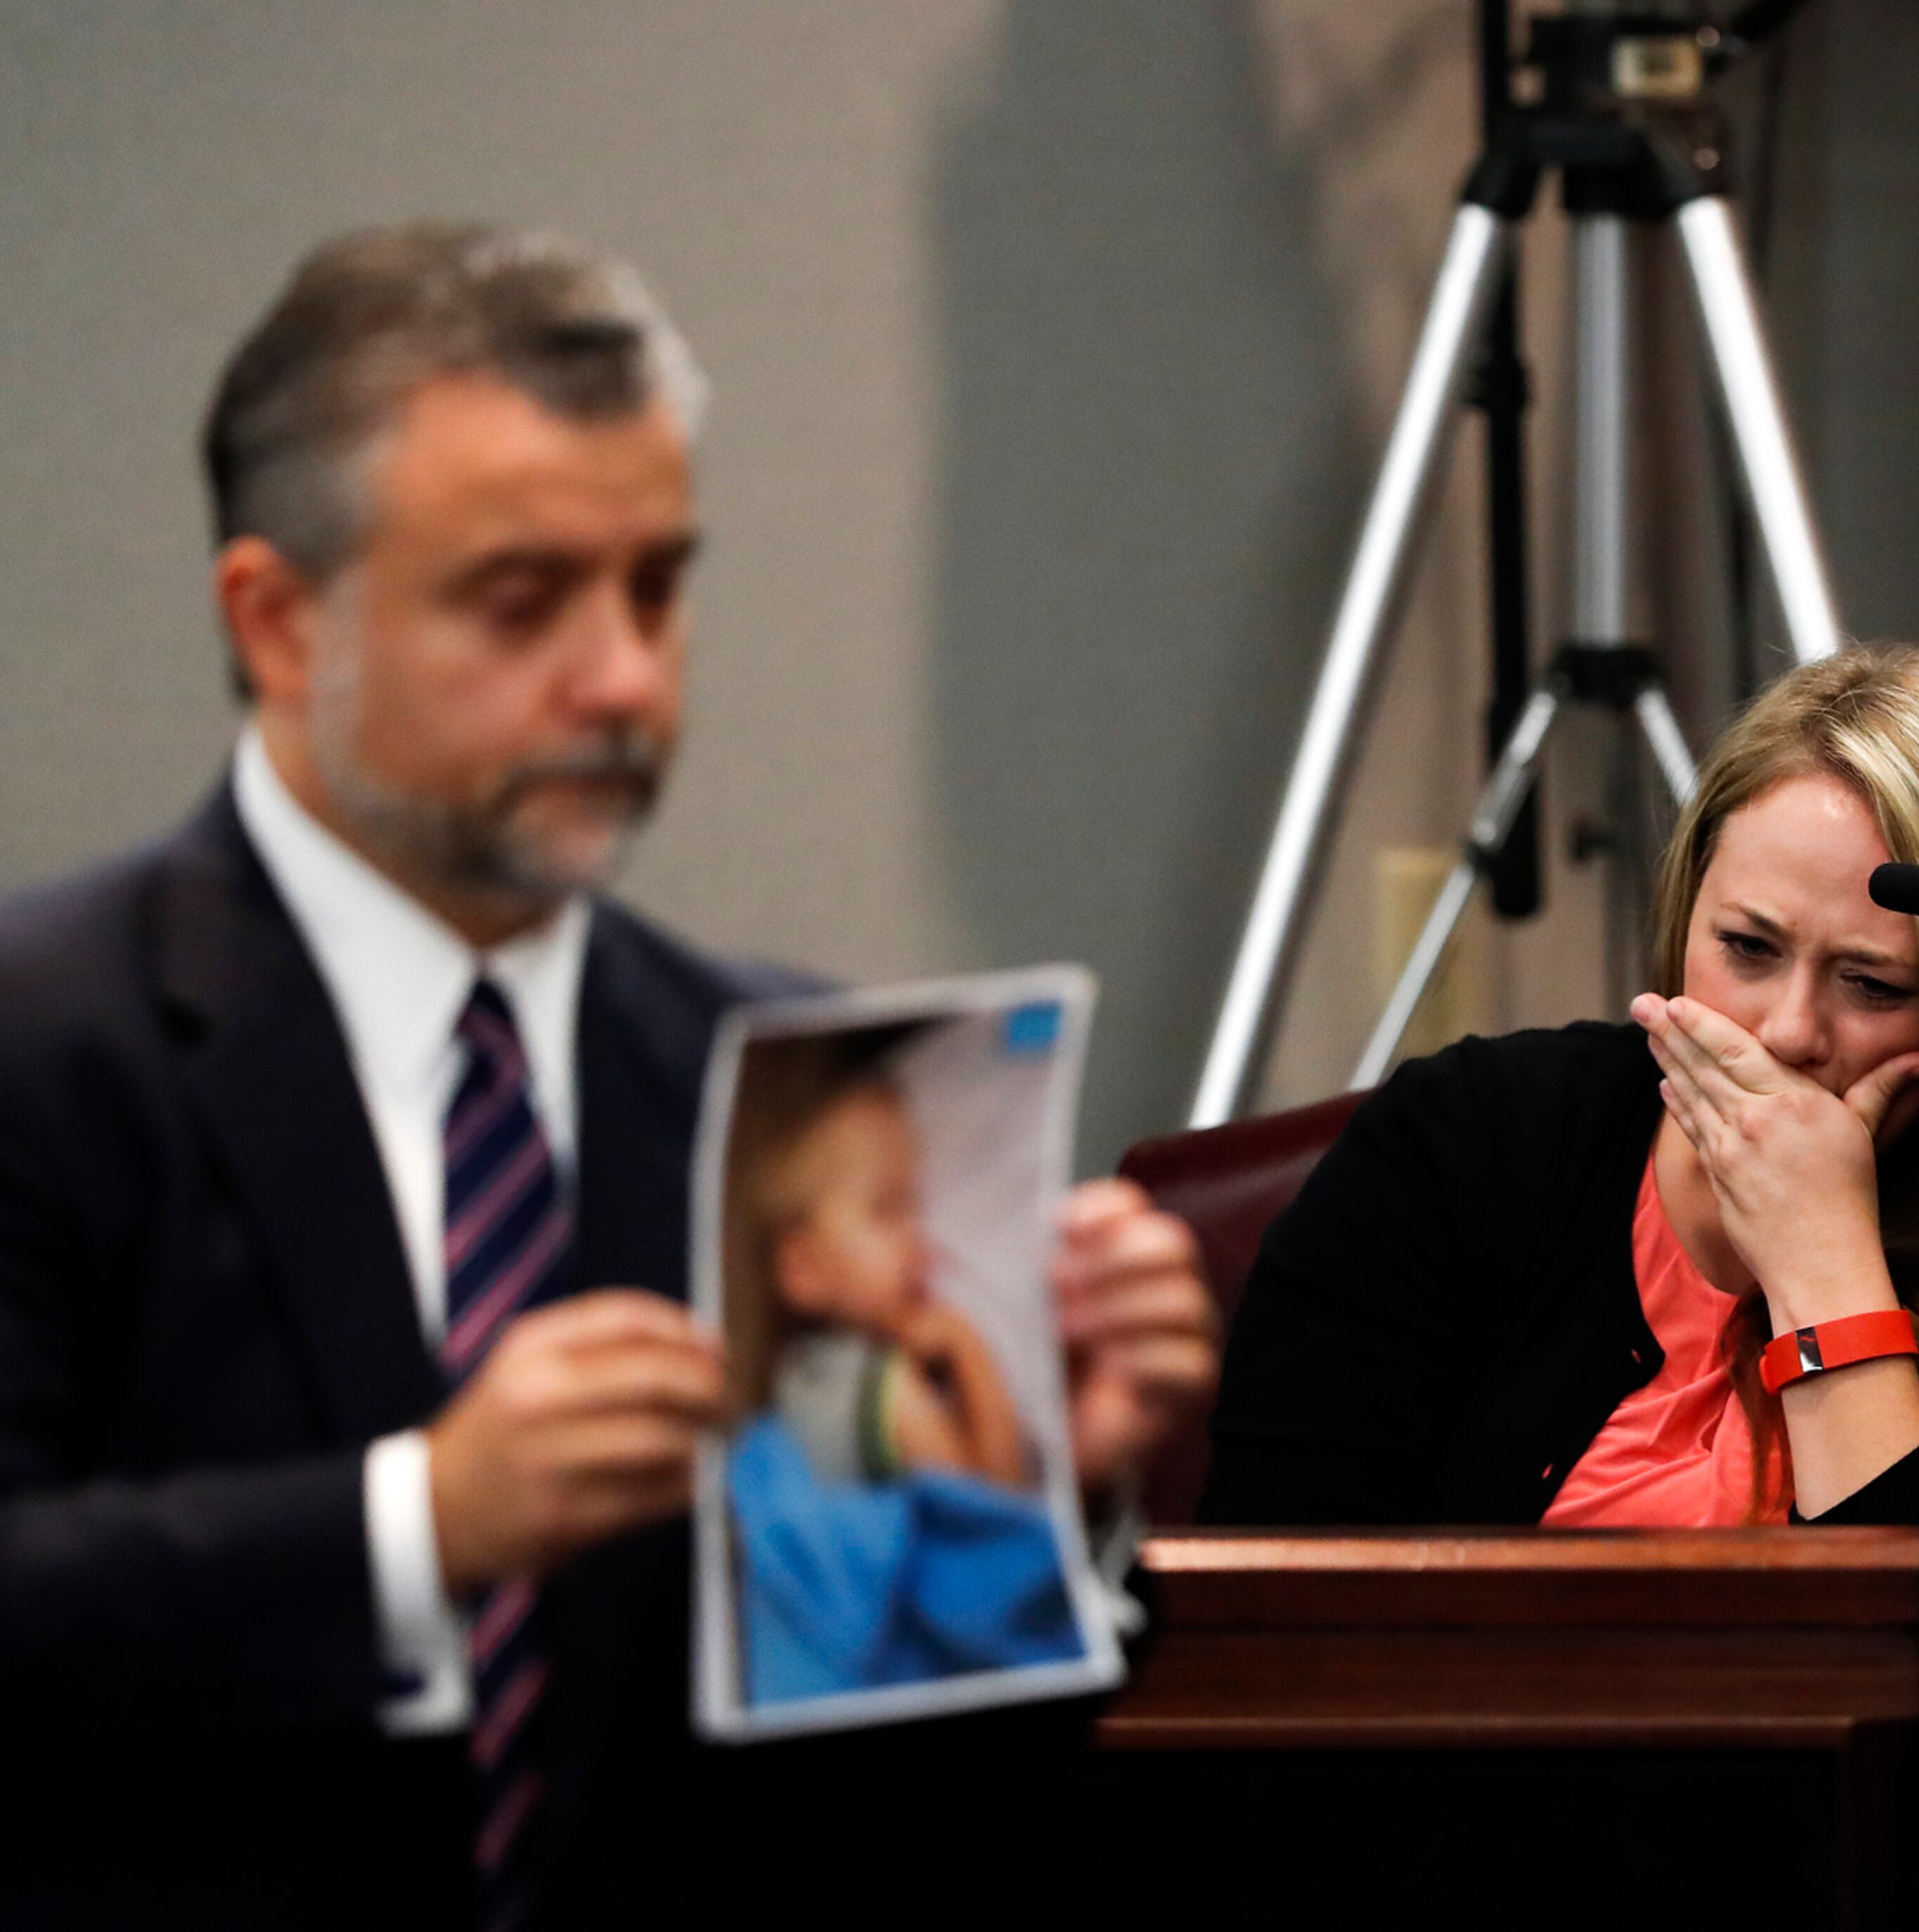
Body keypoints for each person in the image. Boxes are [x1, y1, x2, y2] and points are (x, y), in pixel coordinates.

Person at [0, 223, 1217, 1928]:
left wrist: (1039, 1499)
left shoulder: (786, 1081)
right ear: (278, 622)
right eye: (524, 600)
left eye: (655, 587)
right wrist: (419, 1524)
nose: (627, 678)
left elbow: (918, 1823)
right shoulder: (46, 1041)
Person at [1201, 647, 1919, 1530]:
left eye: (1872, 984)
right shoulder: (1468, 1143)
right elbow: (1264, 1625)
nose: (1788, 1032)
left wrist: (1823, 1266)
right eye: (1746, 947)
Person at [718, 1027, 1084, 1701]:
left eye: (914, 1204)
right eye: (887, 1210)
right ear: (802, 1269)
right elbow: (994, 1521)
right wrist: (972, 1354)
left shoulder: (807, 1381)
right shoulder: (881, 1390)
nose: (920, 1240)